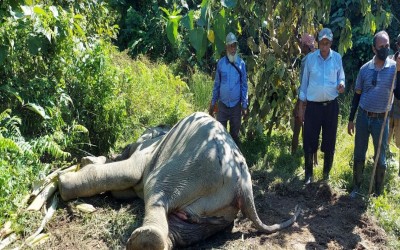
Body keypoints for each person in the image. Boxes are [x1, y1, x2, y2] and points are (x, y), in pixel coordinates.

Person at [347, 31, 400, 197]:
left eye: (387, 46)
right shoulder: (364, 70)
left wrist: (399, 72)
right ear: (374, 48)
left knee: (380, 157)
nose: (385, 49)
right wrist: (351, 119)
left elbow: (398, 94)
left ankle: (377, 191)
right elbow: (357, 95)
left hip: (381, 120)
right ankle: (356, 187)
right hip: (363, 117)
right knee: (359, 153)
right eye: (381, 46)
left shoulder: (394, 69)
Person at [298, 28, 345, 184]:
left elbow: (341, 77)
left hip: (331, 107)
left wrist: (341, 84)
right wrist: (301, 108)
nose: (324, 46)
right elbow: (304, 85)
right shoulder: (310, 59)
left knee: (329, 140)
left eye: (327, 43)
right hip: (313, 107)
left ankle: (326, 175)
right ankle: (309, 175)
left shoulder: (337, 58)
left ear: (331, 43)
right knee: (309, 139)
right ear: (318, 43)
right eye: (322, 43)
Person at [209, 32, 248, 145]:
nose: (233, 48)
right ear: (226, 47)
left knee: (235, 134)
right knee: (220, 132)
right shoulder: (221, 64)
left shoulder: (241, 64)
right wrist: (213, 102)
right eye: (230, 45)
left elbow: (244, 85)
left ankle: (234, 157)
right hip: (223, 105)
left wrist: (244, 105)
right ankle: (221, 157)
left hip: (236, 106)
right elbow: (217, 84)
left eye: (234, 45)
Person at [291, 33, 318, 166]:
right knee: (313, 131)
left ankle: (293, 154)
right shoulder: (318, 58)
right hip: (315, 100)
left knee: (297, 128)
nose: (300, 47)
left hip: (305, 100)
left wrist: (298, 104)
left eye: (301, 45)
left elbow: (303, 84)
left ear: (305, 46)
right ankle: (315, 160)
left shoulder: (305, 61)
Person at [388, 34, 400, 177]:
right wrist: (396, 69)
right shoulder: (390, 61)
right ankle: (380, 161)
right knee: (385, 137)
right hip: (389, 105)